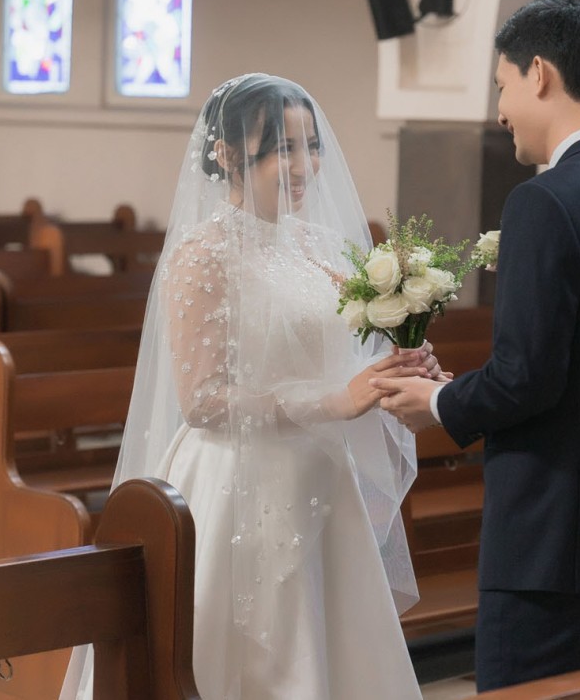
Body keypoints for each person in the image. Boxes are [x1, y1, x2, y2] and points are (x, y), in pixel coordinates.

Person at [62, 73, 428, 700]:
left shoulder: (321, 247)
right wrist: (336, 401)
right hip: (238, 485)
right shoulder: (201, 255)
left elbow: (348, 353)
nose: (305, 166)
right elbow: (202, 400)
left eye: (311, 146)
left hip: (320, 475)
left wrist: (400, 365)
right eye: (283, 149)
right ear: (228, 154)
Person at [372, 0, 580, 691]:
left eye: (502, 85)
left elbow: (528, 376)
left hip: (553, 545)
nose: (500, 111)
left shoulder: (544, 200)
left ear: (540, 74)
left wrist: (438, 402)